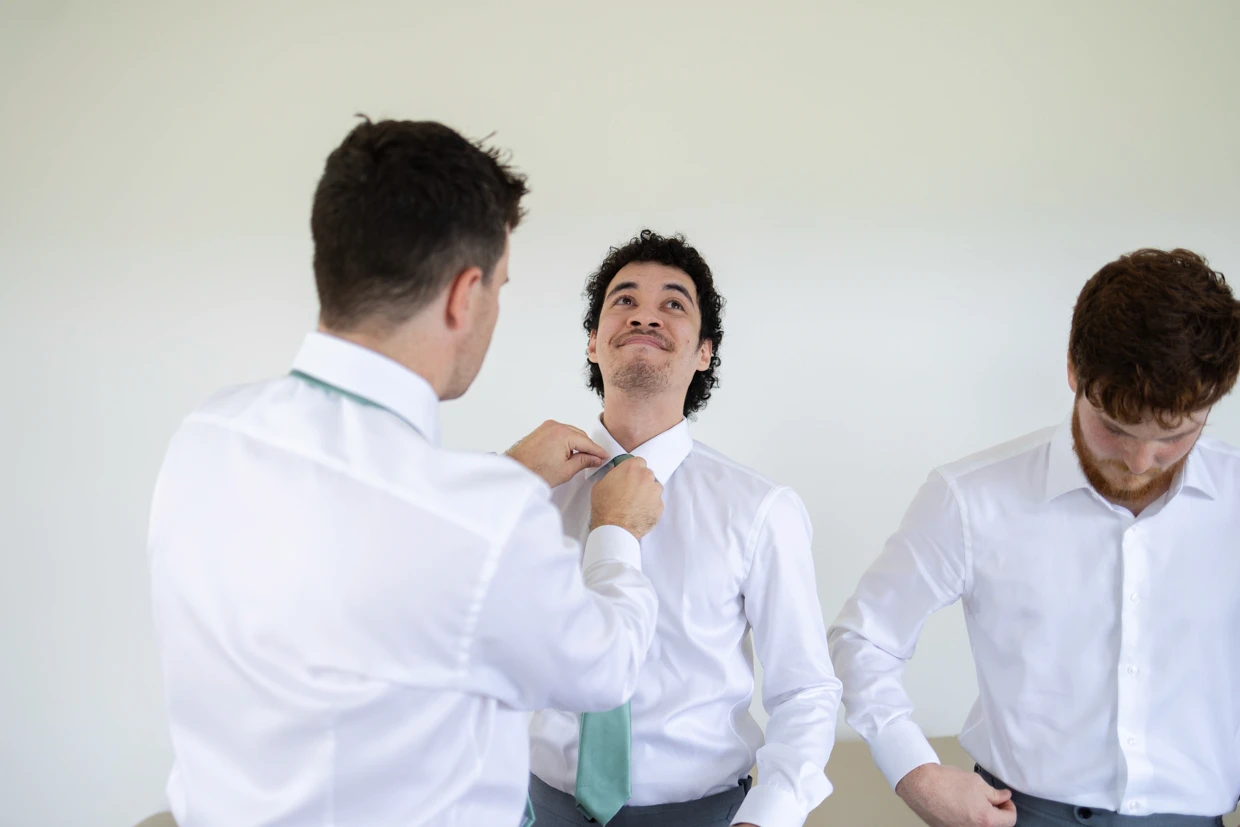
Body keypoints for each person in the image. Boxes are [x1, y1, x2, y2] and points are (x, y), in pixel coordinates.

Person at [147, 119, 665, 827]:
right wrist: (616, 531)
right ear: (463, 294)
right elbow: (601, 669)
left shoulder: (206, 435)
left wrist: (502, 479)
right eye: (501, 288)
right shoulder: (481, 522)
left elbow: (369, 542)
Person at [829, 248, 1240, 827]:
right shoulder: (969, 497)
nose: (1140, 462)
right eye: (1115, 429)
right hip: (1021, 814)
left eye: (1175, 436)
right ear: (1074, 369)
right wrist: (915, 774)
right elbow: (864, 639)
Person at [526, 230, 842, 827]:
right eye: (624, 300)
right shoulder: (528, 491)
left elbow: (805, 689)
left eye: (674, 304)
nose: (645, 314)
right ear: (592, 343)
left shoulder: (760, 508)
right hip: (538, 807)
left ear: (704, 352)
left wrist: (768, 817)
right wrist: (507, 484)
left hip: (705, 813)